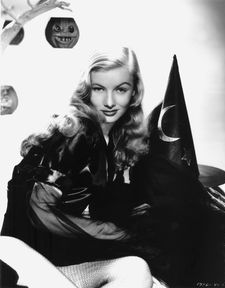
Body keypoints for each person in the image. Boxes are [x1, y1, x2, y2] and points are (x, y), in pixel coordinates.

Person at [1, 47, 168, 288]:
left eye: (120, 89)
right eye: (99, 89)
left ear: (134, 93)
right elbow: (39, 212)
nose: (110, 101)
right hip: (17, 259)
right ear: (87, 91)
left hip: (53, 261)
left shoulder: (109, 141)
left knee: (137, 269)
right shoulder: (80, 131)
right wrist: (115, 232)